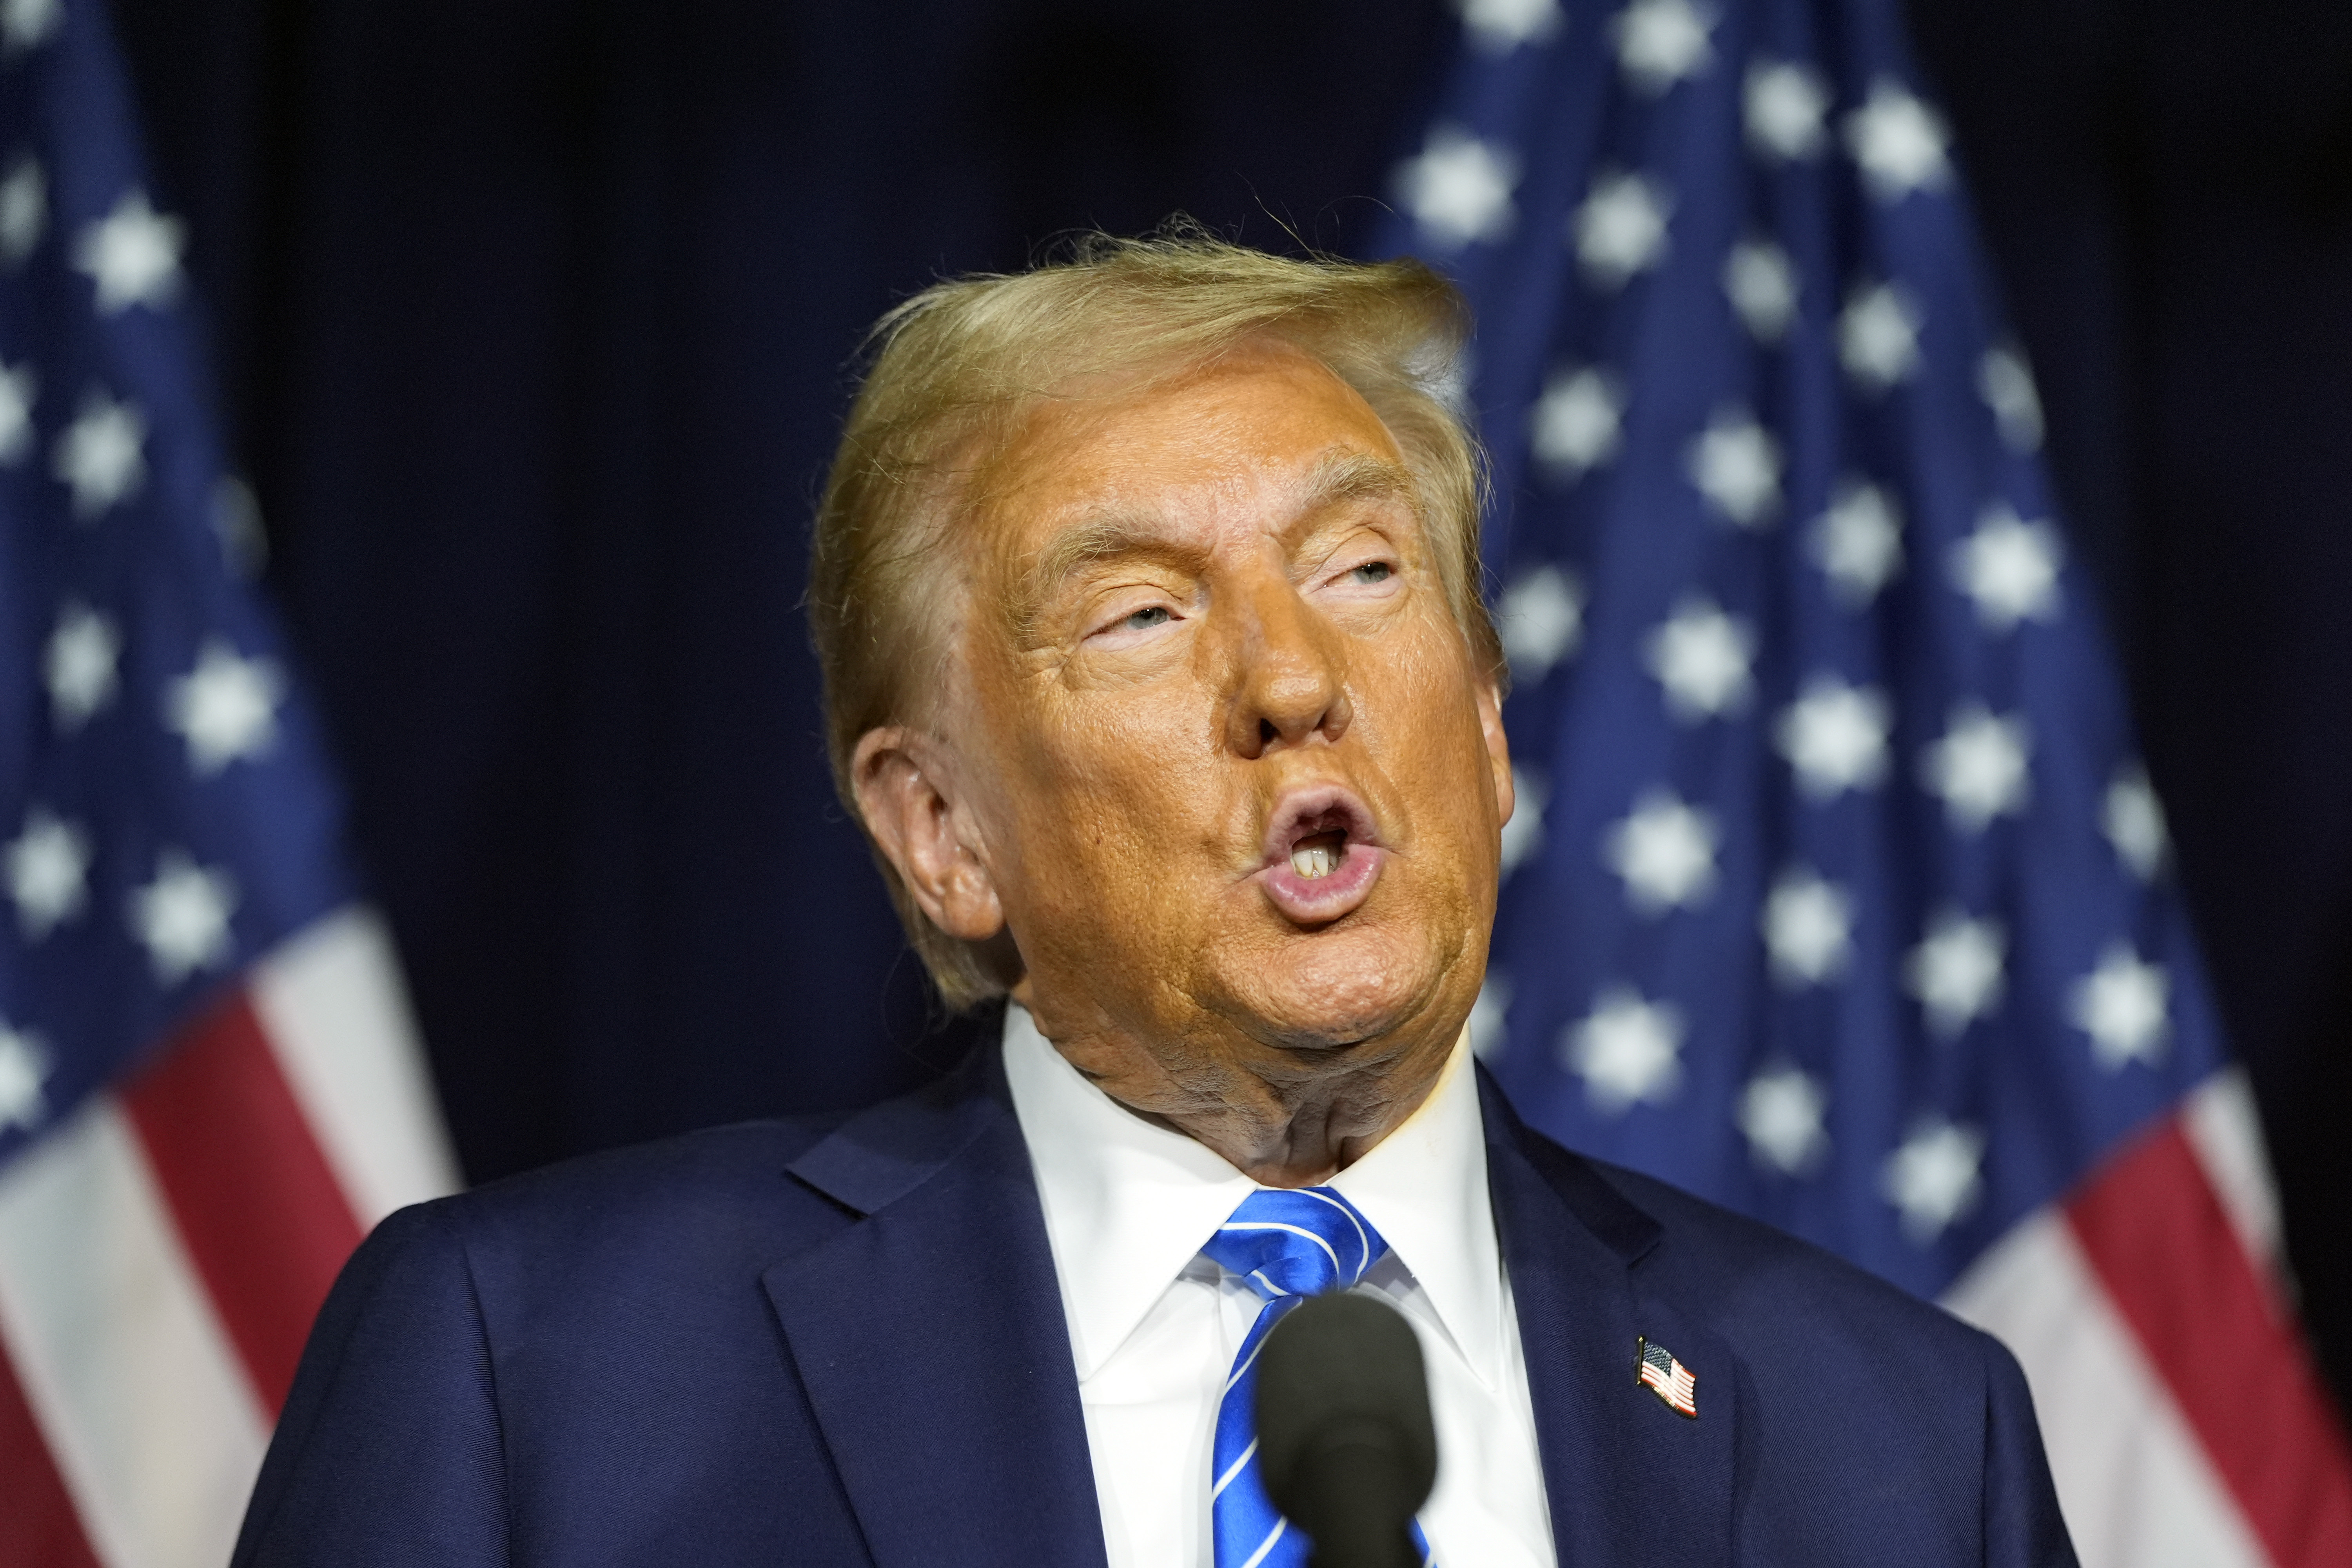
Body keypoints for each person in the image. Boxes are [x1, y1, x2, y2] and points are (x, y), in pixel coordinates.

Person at [232, 232, 2076, 1568]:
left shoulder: (1904, 1439)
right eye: (1143, 611)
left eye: (1362, 567)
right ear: (943, 826)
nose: (1290, 678)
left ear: (1492, 725)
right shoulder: (540, 1377)